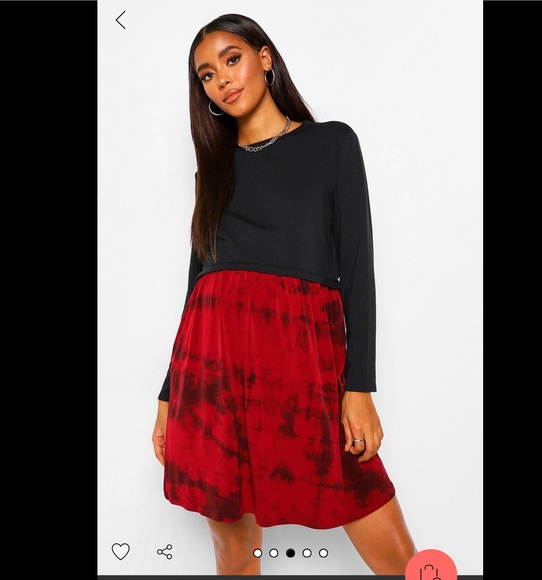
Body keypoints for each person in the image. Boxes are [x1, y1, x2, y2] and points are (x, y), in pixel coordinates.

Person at [152, 13, 417, 576]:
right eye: (206, 75)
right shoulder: (212, 171)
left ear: (264, 58)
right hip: (211, 371)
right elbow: (197, 284)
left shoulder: (332, 144)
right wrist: (169, 393)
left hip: (302, 364)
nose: (222, 79)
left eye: (231, 59)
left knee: (399, 557)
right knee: (234, 553)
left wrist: (360, 387)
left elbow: (357, 269)